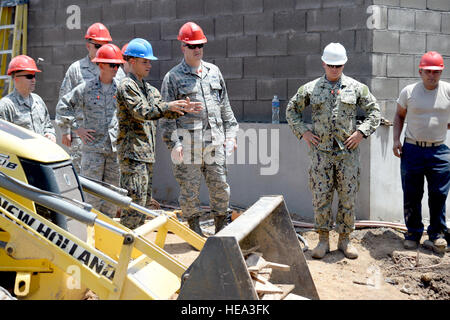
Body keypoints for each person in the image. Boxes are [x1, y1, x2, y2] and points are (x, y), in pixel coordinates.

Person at [286, 43, 381, 259]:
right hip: (321, 156)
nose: (334, 69)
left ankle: (345, 240)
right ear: (323, 64)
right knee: (321, 198)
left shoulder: (357, 88)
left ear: (344, 64)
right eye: (330, 65)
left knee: (347, 198)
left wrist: (361, 133)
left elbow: (374, 111)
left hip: (347, 156)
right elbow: (291, 110)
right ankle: (322, 241)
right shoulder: (310, 89)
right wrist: (304, 132)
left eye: (338, 65)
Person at [160, 22, 239, 236]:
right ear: (183, 47)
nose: (197, 50)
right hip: (188, 146)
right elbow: (166, 118)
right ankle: (194, 232)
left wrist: (231, 136)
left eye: (200, 45)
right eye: (192, 45)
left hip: (215, 144)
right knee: (189, 191)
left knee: (220, 187)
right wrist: (173, 144)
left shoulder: (214, 72)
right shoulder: (173, 78)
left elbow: (226, 109)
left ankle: (221, 229)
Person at [116, 38, 203, 230]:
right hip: (132, 155)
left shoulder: (148, 89)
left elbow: (161, 110)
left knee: (144, 202)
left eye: (149, 61)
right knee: (134, 203)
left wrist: (183, 107)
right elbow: (143, 111)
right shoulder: (126, 86)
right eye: (145, 61)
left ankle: (133, 247)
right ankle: (123, 245)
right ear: (132, 62)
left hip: (145, 155)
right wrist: (168, 106)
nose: (149, 65)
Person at [56, 44, 125, 218]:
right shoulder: (86, 89)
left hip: (114, 151)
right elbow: (63, 107)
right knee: (91, 197)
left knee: (112, 196)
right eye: (112, 65)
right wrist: (77, 129)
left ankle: (107, 235)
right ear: (101, 65)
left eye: (118, 65)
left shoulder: (122, 89)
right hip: (93, 151)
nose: (116, 69)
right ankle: (90, 236)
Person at [393, 51, 450, 254]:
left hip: (439, 151)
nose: (432, 75)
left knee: (439, 195)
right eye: (428, 71)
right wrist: (395, 140)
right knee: (412, 193)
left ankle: (437, 234)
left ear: (441, 72)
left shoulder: (448, 91)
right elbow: (399, 116)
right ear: (420, 71)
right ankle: (413, 233)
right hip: (412, 150)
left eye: (436, 71)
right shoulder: (409, 92)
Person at [56, 22, 125, 173]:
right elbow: (64, 102)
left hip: (111, 142)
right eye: (98, 46)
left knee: (111, 188)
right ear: (88, 45)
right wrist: (69, 130)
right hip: (85, 139)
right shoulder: (76, 69)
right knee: (85, 184)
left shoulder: (118, 71)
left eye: (106, 45)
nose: (103, 49)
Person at [0, 55, 56, 141]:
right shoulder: (6, 105)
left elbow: (48, 125)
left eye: (34, 76)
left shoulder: (38, 100)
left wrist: (50, 134)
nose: (33, 80)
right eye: (29, 76)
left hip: (41, 152)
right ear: (16, 78)